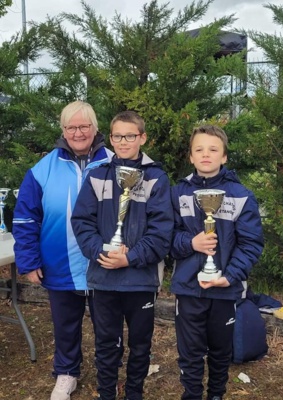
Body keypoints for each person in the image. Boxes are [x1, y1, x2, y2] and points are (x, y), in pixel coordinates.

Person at [12, 100, 113, 400]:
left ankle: (110, 372)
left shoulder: (115, 161)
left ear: (95, 127)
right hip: (60, 263)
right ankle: (66, 373)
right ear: (63, 130)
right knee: (65, 326)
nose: (78, 132)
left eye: (84, 126)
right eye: (71, 127)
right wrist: (28, 261)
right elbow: (25, 217)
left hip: (105, 264)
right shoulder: (43, 169)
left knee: (108, 327)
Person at [71, 110, 174, 400]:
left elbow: (162, 231)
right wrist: (100, 250)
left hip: (140, 279)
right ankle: (107, 394)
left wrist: (131, 257)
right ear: (110, 138)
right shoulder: (97, 175)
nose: (123, 141)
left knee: (140, 344)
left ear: (142, 137)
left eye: (130, 135)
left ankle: (134, 393)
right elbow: (81, 222)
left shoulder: (156, 179)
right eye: (117, 136)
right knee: (106, 343)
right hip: (103, 277)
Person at [170, 125, 264, 400]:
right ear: (190, 156)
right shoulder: (178, 193)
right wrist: (191, 243)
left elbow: (251, 243)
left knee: (221, 350)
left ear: (224, 157)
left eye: (213, 149)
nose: (206, 155)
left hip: (224, 288)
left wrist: (231, 275)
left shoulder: (241, 194)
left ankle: (216, 394)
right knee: (189, 351)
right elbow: (167, 237)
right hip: (189, 287)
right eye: (199, 149)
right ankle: (192, 395)